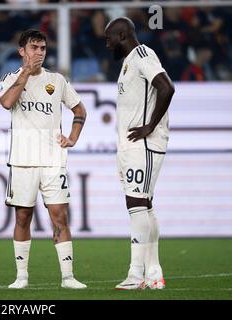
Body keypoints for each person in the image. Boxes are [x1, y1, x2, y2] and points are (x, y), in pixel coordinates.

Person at [0, 29, 88, 289]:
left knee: (60, 216)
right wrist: (25, 74)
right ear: (22, 51)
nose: (39, 52)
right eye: (34, 47)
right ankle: (22, 277)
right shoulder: (11, 78)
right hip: (22, 160)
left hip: (53, 160)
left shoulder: (57, 80)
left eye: (43, 48)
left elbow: (79, 109)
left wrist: (73, 136)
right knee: (23, 217)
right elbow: (6, 103)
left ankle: (68, 277)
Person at [104, 17, 175, 290]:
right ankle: (154, 273)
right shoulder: (128, 62)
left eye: (109, 37)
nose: (106, 43)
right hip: (130, 146)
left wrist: (149, 126)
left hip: (143, 145)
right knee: (144, 205)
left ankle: (136, 275)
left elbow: (166, 87)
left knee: (135, 205)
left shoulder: (143, 54)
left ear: (122, 35)